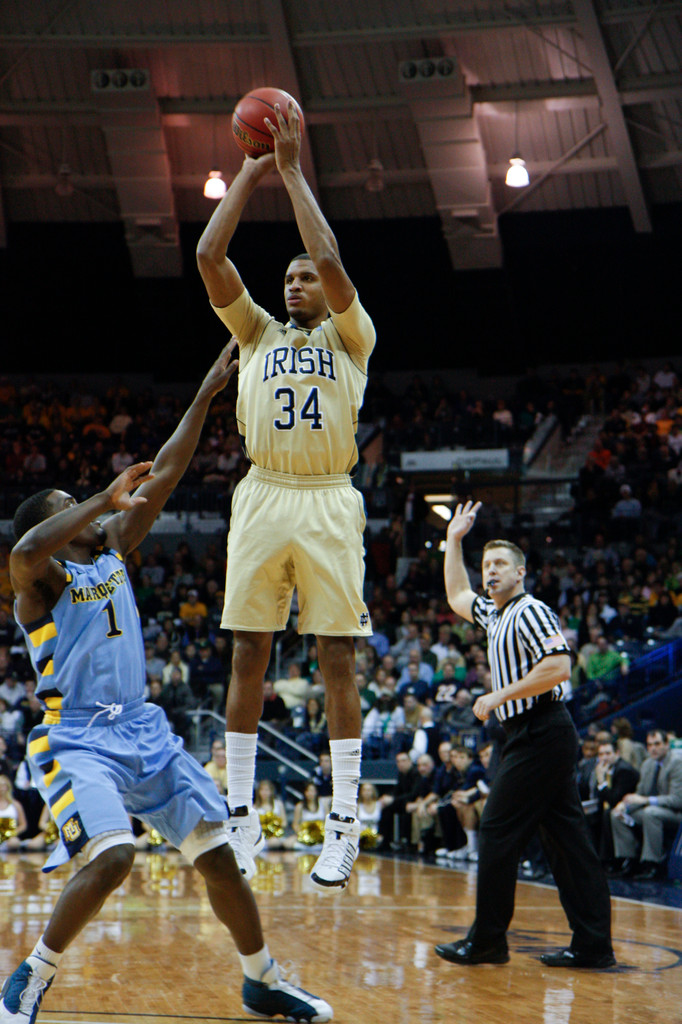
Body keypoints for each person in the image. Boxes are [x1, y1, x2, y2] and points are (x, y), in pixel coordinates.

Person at [0, 344, 332, 1024]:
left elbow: (169, 471)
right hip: (79, 739)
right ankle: (30, 978)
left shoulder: (115, 550)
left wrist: (208, 392)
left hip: (146, 729)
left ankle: (261, 977)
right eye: (74, 507)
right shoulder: (42, 580)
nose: (94, 513)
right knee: (115, 853)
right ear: (57, 524)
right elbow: (24, 551)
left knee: (217, 859)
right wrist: (96, 498)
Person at [196, 98, 375, 892]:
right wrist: (250, 167)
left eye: (306, 276)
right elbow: (209, 253)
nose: (300, 279)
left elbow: (332, 256)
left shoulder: (352, 335)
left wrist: (295, 175)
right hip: (264, 494)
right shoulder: (256, 335)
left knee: (336, 657)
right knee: (248, 651)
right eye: (290, 276)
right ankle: (239, 820)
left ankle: (343, 823)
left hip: (329, 496)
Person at [434, 501, 614, 969]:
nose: (489, 571)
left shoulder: (530, 610)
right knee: (568, 843)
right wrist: (454, 540)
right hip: (527, 735)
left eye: (499, 564)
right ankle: (593, 945)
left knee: (495, 828)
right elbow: (456, 595)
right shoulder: (494, 615)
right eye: (486, 564)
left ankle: (489, 941)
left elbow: (558, 667)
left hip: (542, 730)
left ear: (521, 572)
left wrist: (497, 696)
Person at [610, 729, 682, 879]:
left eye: (657, 744)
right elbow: (640, 793)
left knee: (650, 812)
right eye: (649, 745)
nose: (653, 748)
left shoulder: (676, 763)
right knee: (617, 814)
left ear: (667, 745)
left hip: (675, 813)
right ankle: (628, 860)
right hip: (652, 809)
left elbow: (677, 800)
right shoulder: (647, 764)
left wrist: (646, 800)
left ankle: (652, 863)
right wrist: (625, 805)